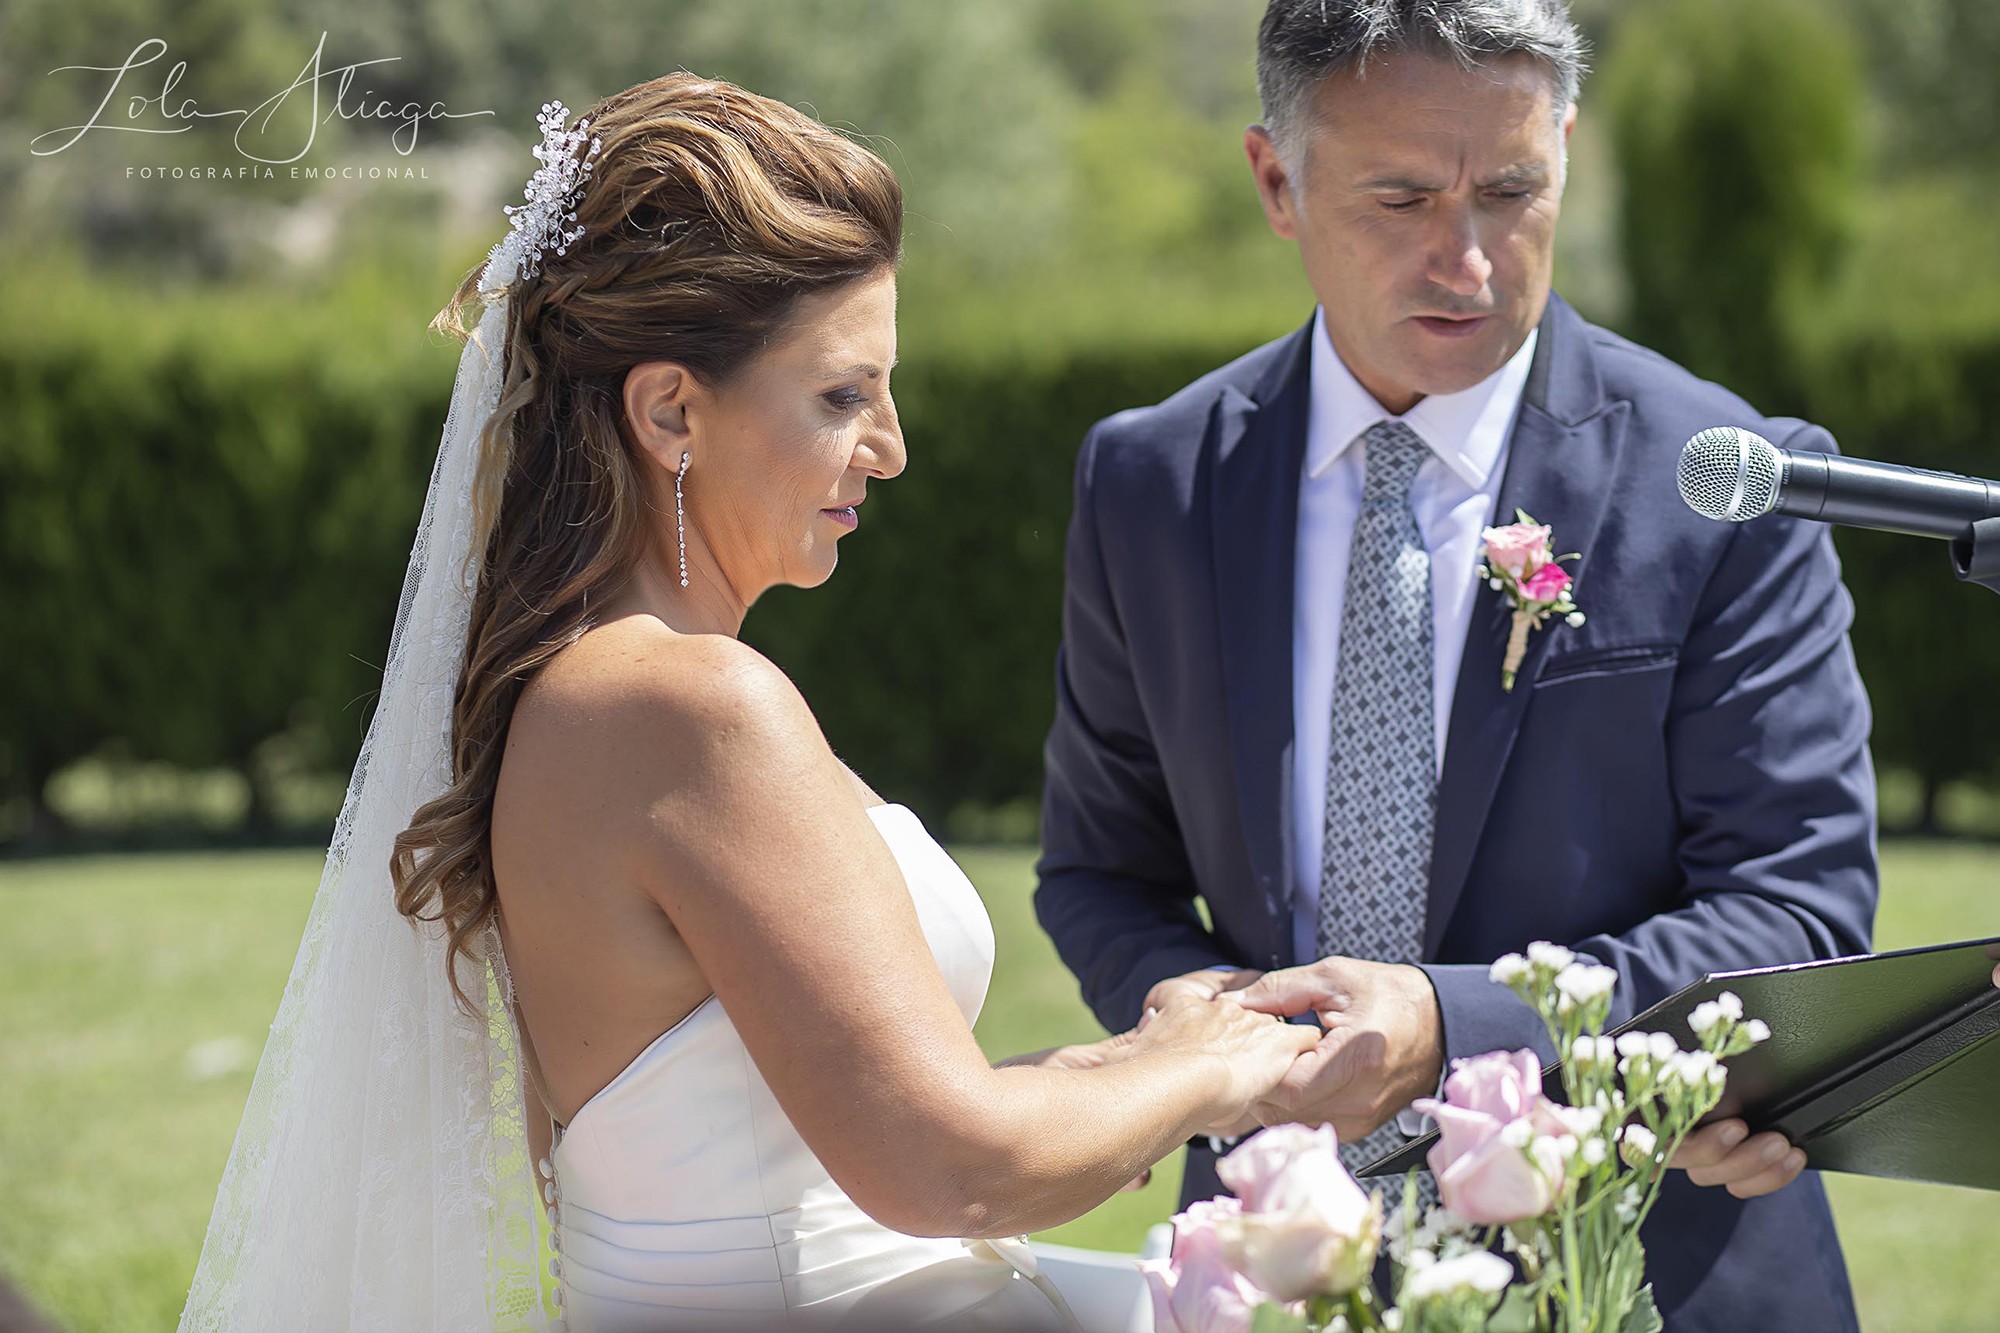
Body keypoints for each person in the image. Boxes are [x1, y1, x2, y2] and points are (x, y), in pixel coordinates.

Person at [178, 74, 1324, 1333]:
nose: (889, 446)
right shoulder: (693, 706)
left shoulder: (582, 694)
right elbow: (948, 1166)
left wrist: (1132, 1060)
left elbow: (808, 1129)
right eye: (842, 395)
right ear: (670, 407)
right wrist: (1209, 1071)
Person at [1034, 3, 1878, 1330]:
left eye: (1512, 190)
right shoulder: (1153, 482)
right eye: (1405, 197)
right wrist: (1227, 1042)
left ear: (1567, 155)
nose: (1469, 258)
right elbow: (1099, 870)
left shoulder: (1723, 479)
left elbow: (1800, 908)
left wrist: (1453, 1024)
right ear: (1277, 181)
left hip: (1652, 1265)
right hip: (1283, 1266)